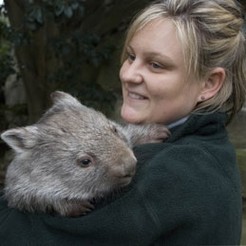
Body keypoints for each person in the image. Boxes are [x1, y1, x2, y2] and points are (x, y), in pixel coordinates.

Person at [0, 0, 245, 245]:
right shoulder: (210, 149)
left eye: (156, 65)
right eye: (131, 56)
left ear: (209, 83)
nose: (127, 75)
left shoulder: (170, 172)